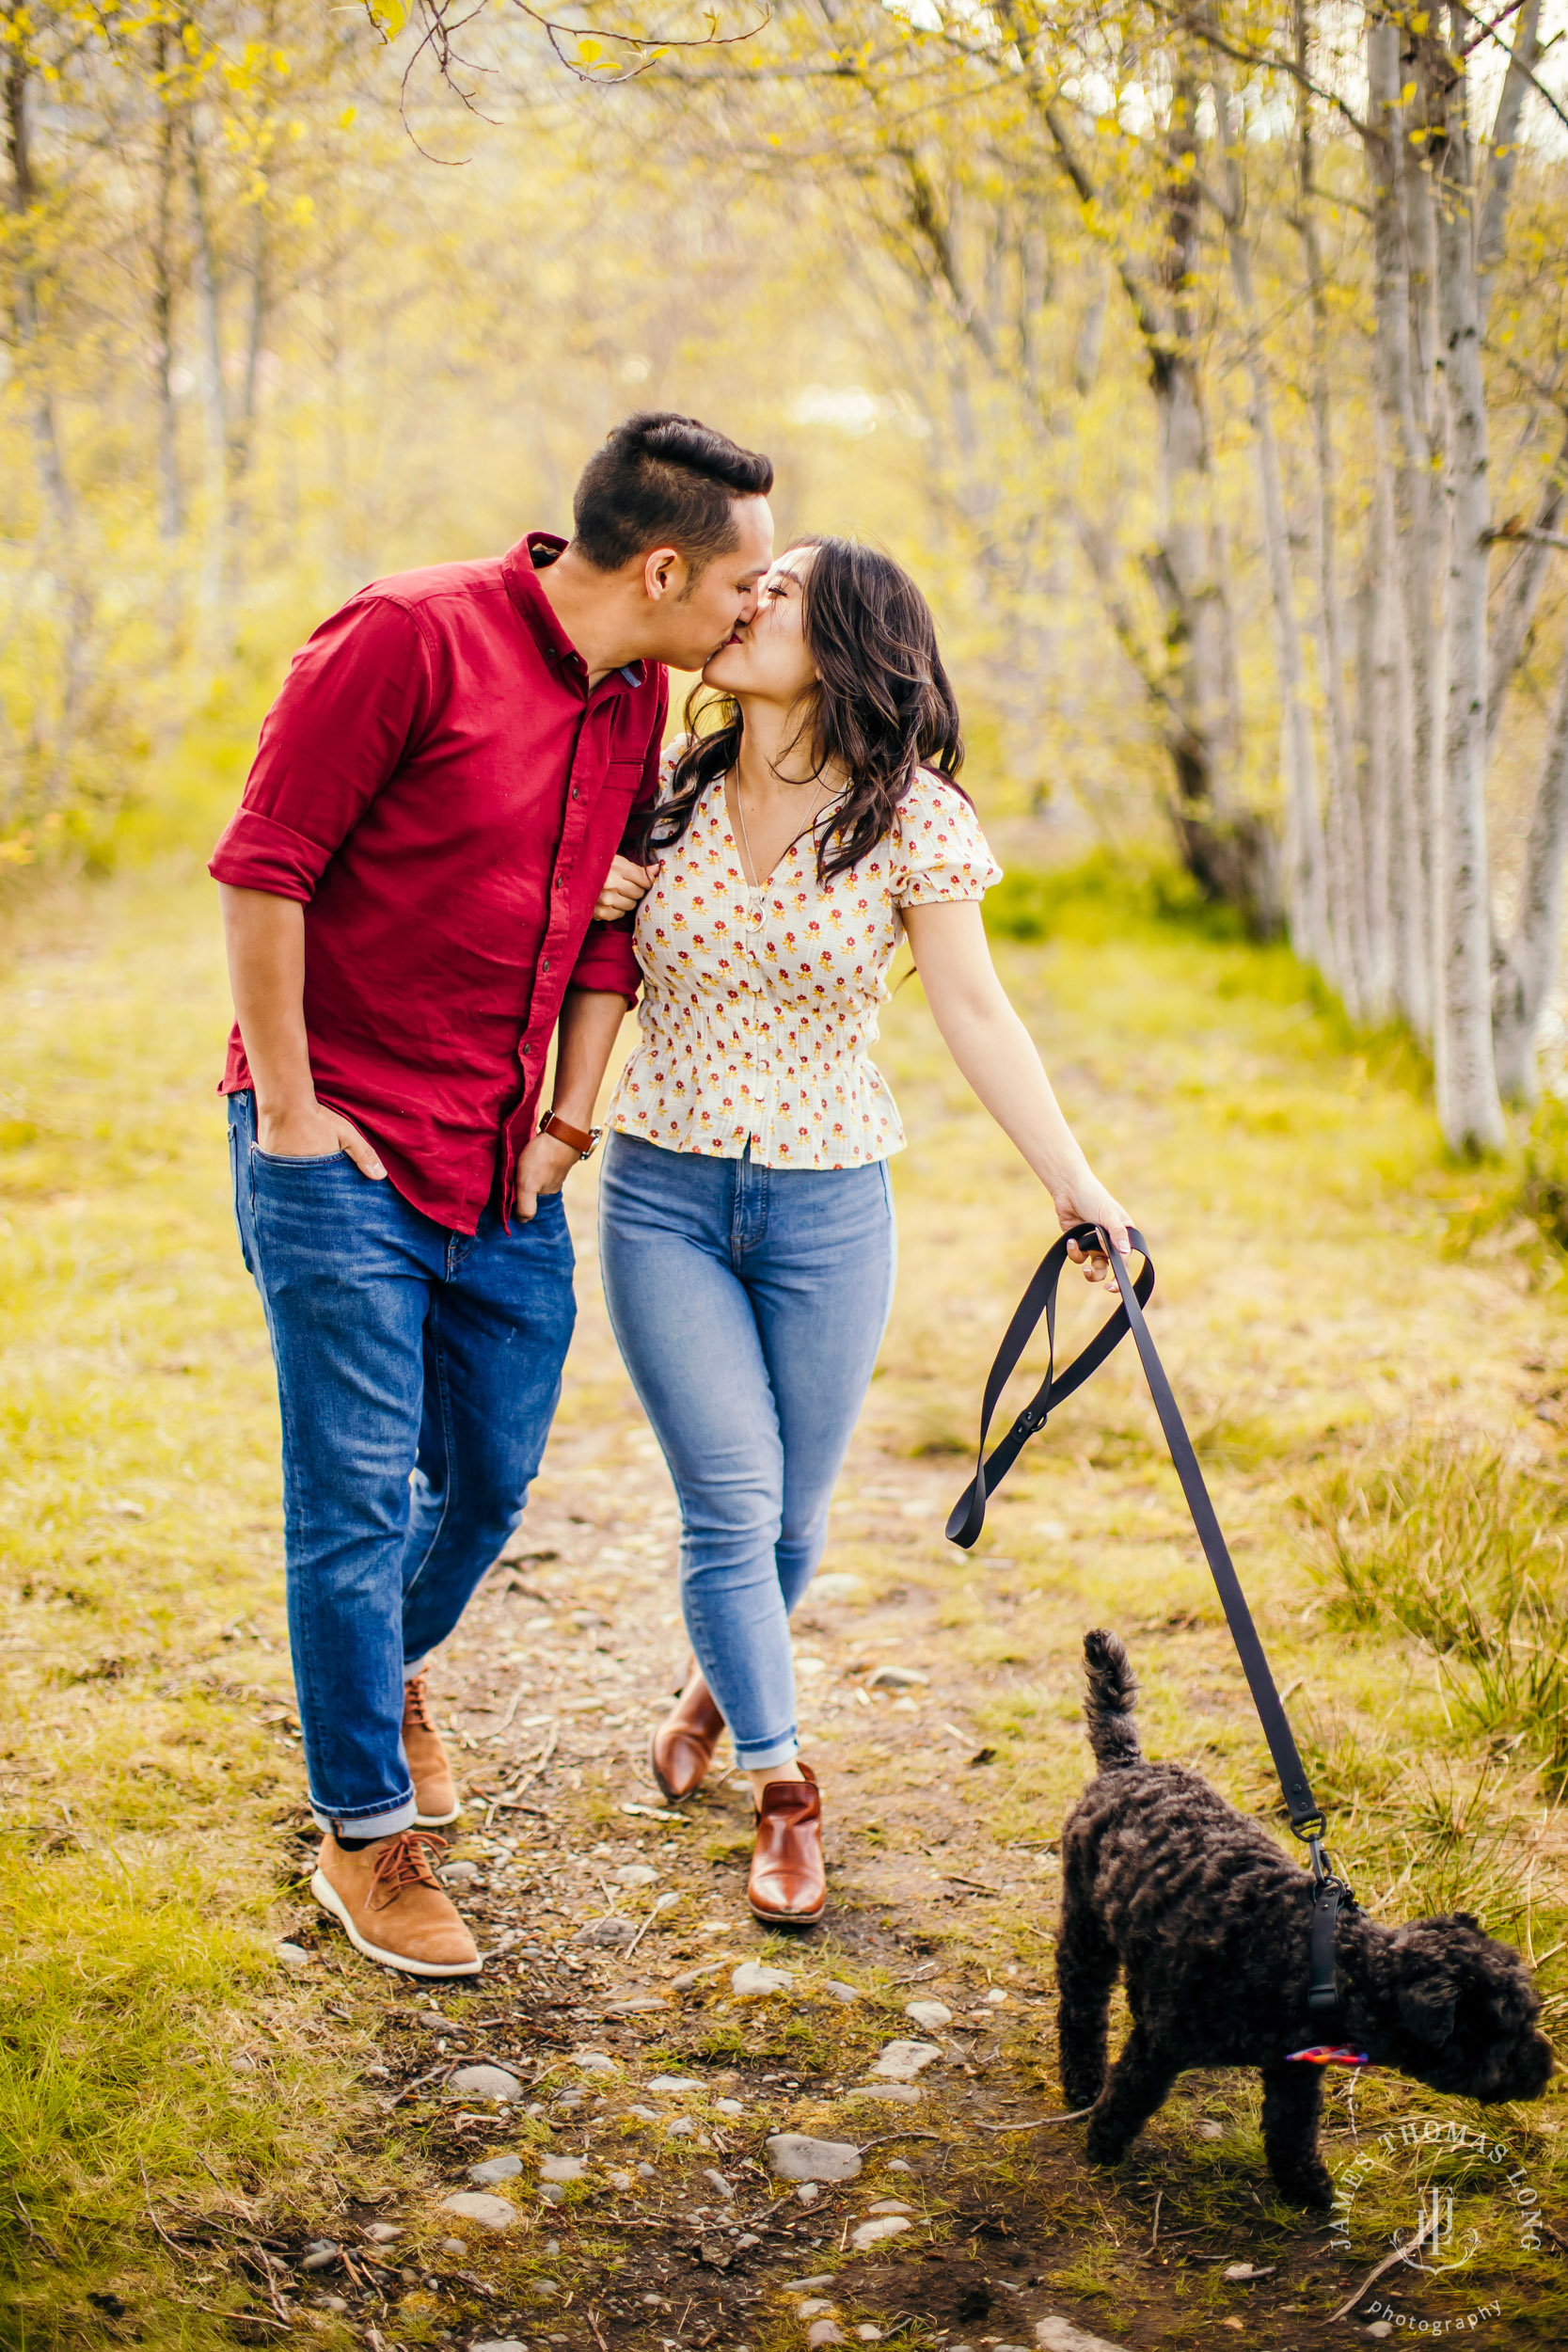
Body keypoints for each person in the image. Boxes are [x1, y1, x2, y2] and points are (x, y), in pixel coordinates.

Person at [211, 413, 774, 1978]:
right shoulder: (403, 639)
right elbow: (266, 872)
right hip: (342, 1151)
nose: (754, 607)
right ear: (663, 565)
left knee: (490, 1480)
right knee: (352, 1496)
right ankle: (366, 1834)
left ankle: (377, 1663)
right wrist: (300, 1116)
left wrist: (565, 1126)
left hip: (498, 1163)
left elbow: (600, 930)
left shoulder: (637, 698)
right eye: (741, 581)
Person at [592, 537, 1132, 1926]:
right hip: (663, 1192)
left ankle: (720, 1695)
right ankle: (784, 1790)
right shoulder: (668, 788)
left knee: (792, 1514)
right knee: (729, 1497)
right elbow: (573, 951)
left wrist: (1073, 1184)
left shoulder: (917, 817)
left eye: (774, 593)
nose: (741, 602)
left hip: (834, 1204)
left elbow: (973, 1010)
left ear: (837, 642)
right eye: (746, 585)